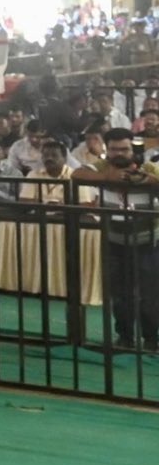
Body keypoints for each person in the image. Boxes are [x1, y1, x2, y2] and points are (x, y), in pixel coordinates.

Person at [72, 129, 159, 349]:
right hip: (114, 242)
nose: (119, 153)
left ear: (133, 150)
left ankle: (151, 340)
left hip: (148, 243)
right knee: (120, 296)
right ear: (107, 150)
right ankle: (125, 338)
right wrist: (107, 177)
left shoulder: (147, 168)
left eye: (124, 149)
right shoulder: (101, 168)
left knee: (150, 296)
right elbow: (76, 175)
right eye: (114, 149)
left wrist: (149, 181)